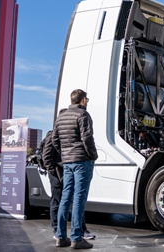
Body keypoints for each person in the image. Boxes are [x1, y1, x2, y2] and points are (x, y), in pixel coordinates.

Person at [41, 109, 97, 242]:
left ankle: (75, 231)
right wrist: (54, 172)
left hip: (66, 168)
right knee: (61, 200)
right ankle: (57, 230)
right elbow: (46, 156)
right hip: (58, 172)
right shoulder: (52, 135)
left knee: (70, 199)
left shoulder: (62, 135)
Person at [53, 89, 98, 249]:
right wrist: (93, 155)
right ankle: (77, 238)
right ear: (83, 100)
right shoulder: (83, 115)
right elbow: (87, 138)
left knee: (66, 198)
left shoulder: (61, 117)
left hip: (67, 162)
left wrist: (65, 154)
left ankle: (60, 236)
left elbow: (55, 140)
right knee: (79, 198)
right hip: (82, 161)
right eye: (87, 99)